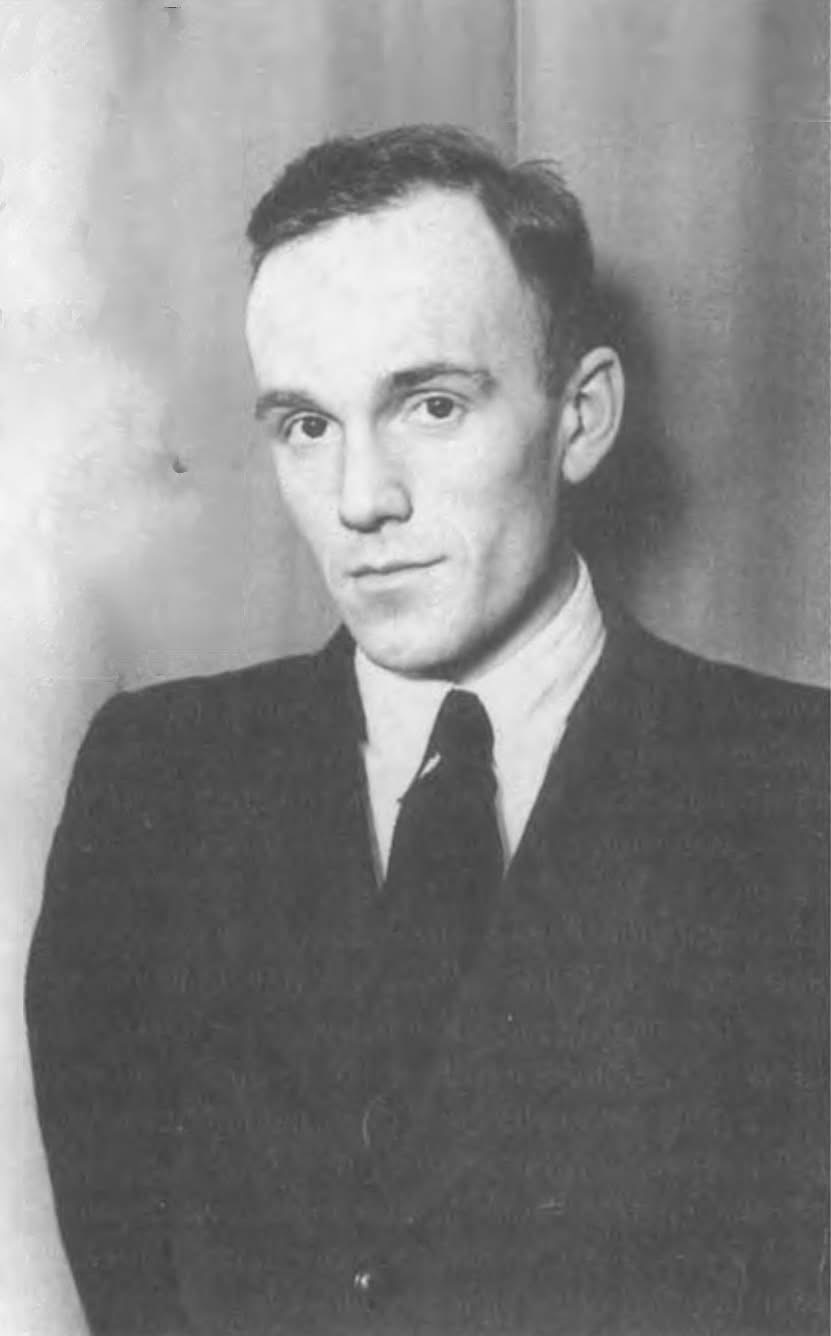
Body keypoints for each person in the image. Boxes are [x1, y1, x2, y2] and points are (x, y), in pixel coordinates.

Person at [27, 125, 828, 1336]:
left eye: (433, 404)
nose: (361, 499)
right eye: (306, 425)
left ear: (582, 416)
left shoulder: (796, 794)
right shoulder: (153, 789)